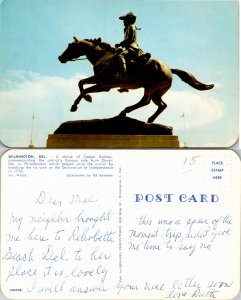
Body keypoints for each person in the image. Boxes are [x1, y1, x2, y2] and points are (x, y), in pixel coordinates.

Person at [115, 12, 151, 78]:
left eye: (125, 19)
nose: (123, 21)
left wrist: (120, 44)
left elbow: (129, 39)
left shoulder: (131, 26)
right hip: (129, 47)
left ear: (129, 20)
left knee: (120, 55)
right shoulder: (127, 27)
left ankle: (124, 73)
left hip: (132, 47)